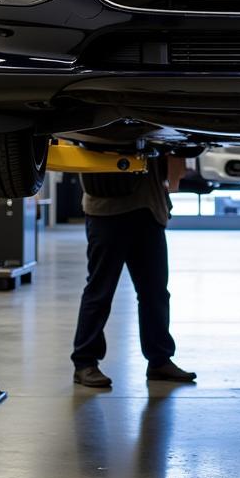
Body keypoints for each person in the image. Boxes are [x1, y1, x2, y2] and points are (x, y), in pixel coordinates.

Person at [71, 155, 196, 388]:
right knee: (100, 291)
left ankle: (159, 360)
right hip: (106, 211)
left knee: (155, 293)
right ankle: (84, 363)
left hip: (149, 209)